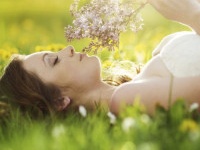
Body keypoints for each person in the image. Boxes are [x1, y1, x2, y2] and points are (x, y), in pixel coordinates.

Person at [0, 0, 200, 118]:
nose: (68, 49)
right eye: (54, 61)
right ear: (60, 101)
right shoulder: (125, 100)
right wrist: (192, 16)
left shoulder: (142, 77)